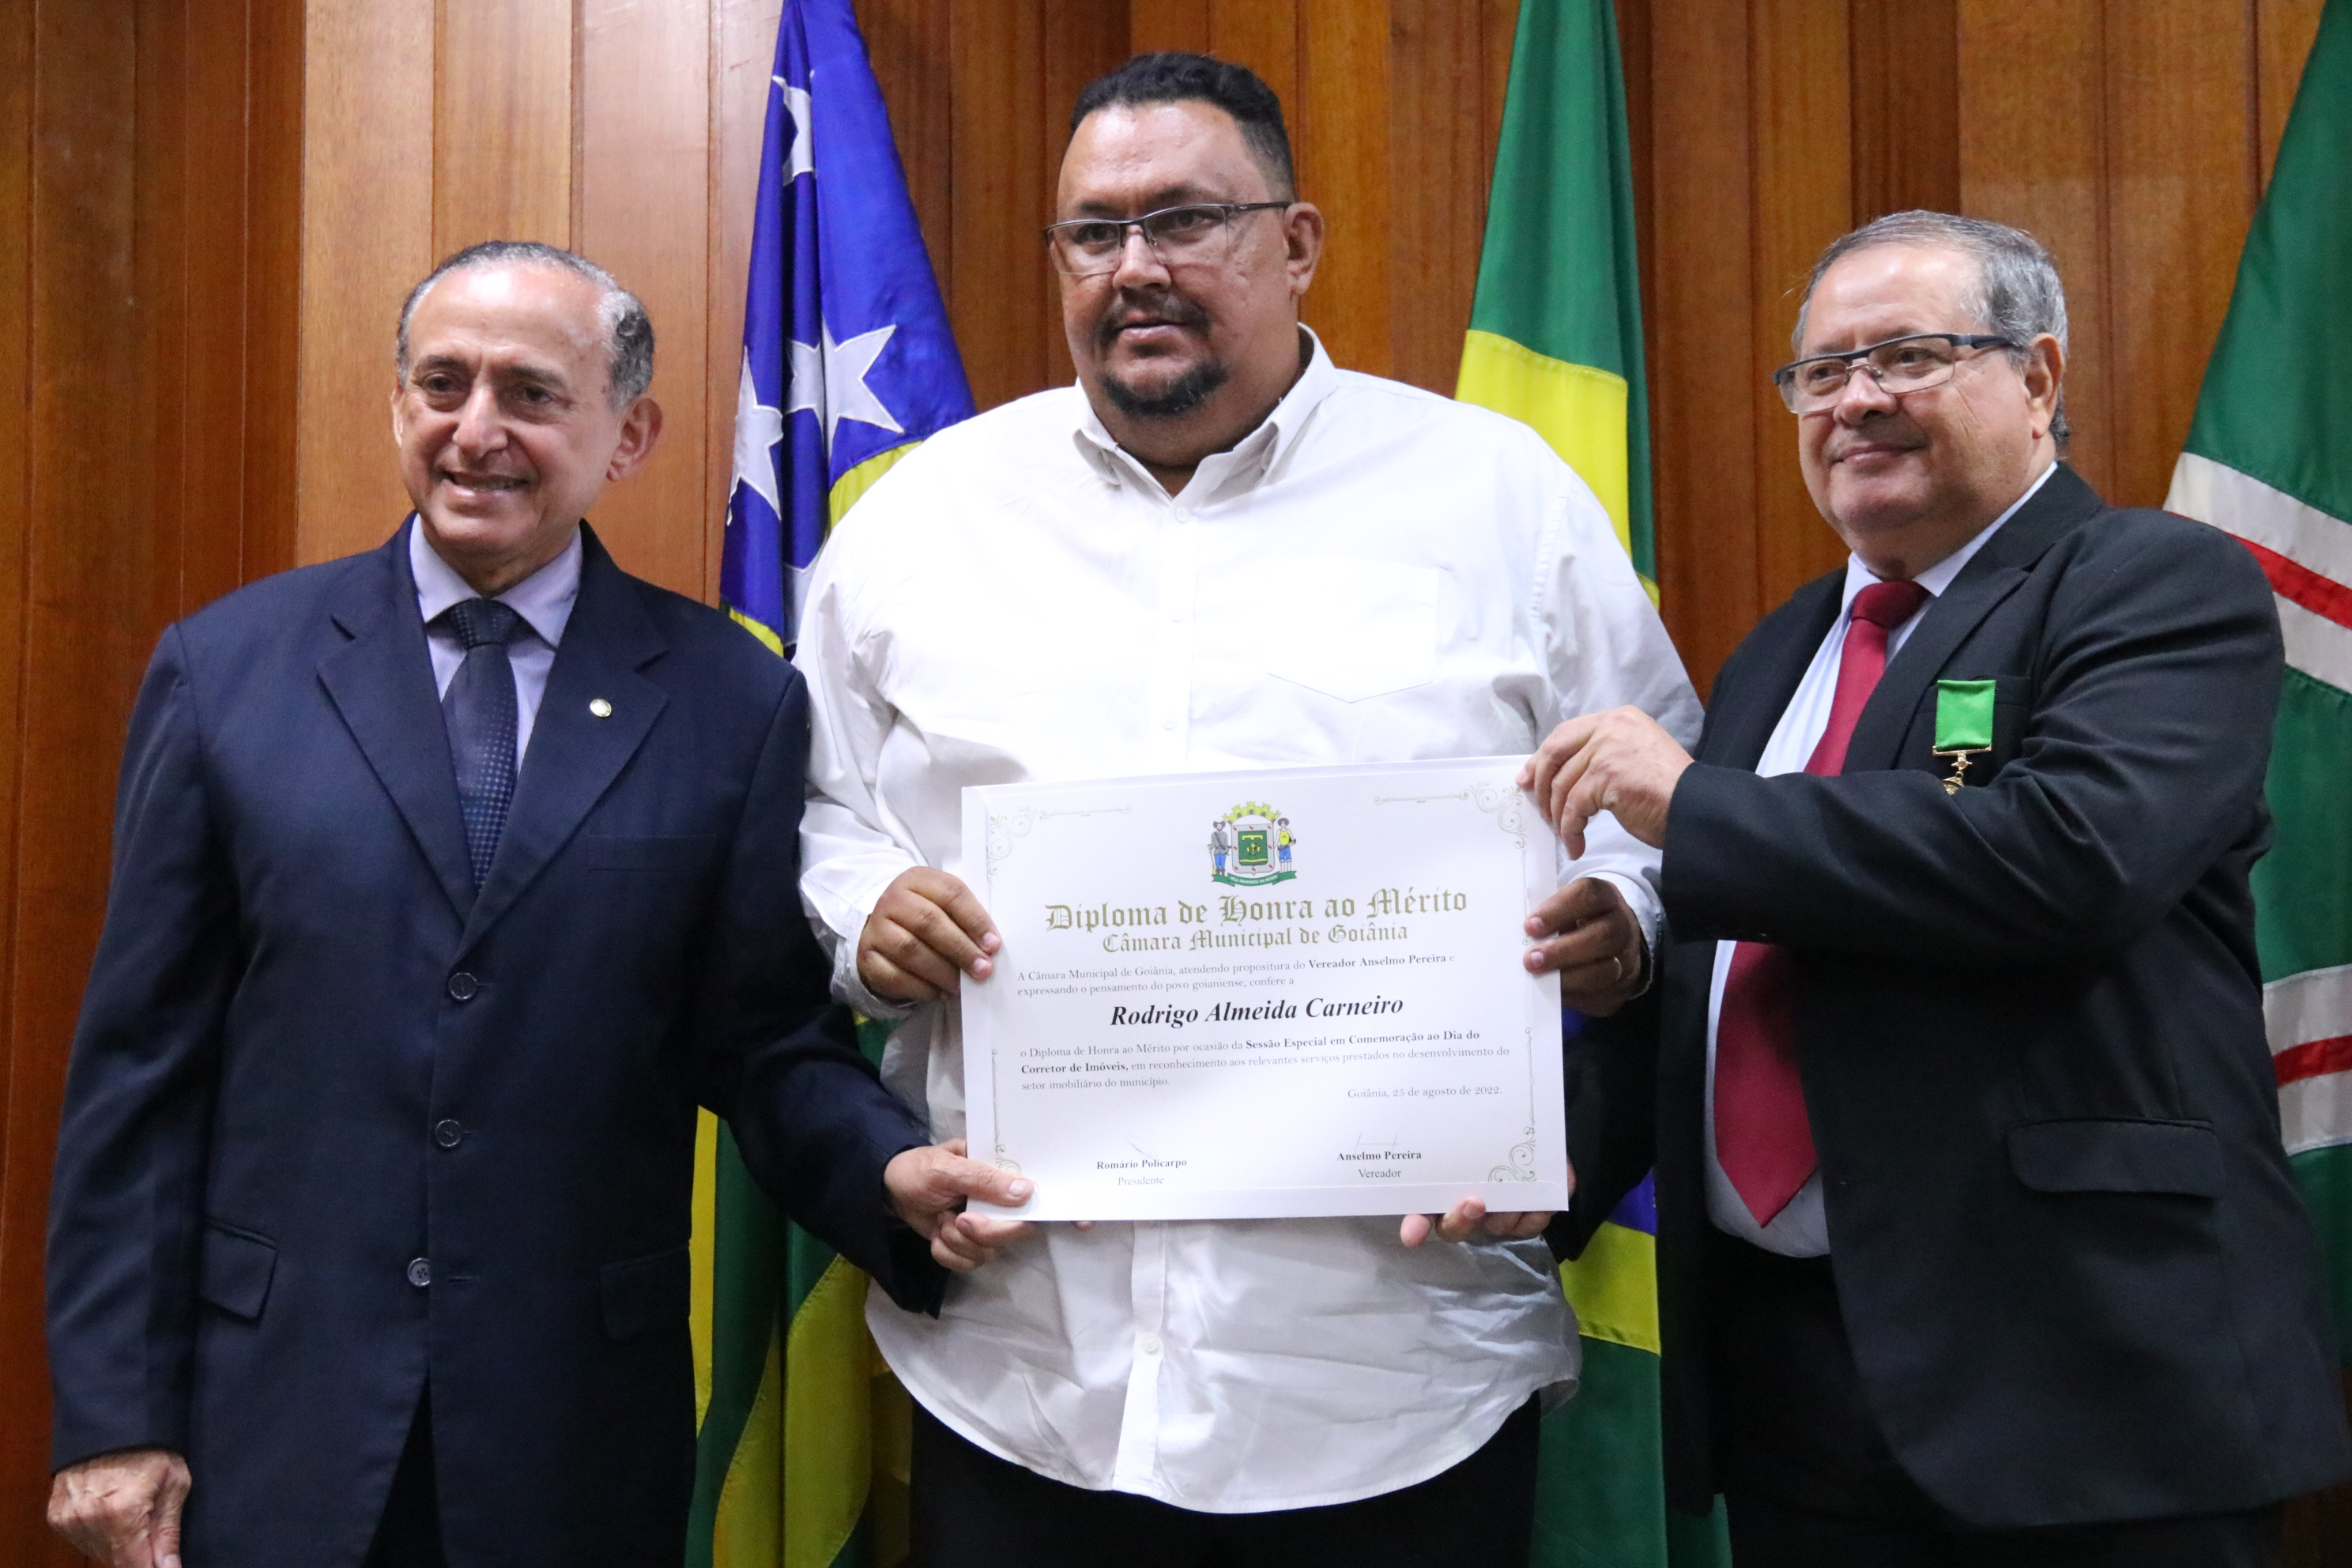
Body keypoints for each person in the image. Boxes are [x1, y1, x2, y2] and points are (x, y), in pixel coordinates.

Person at [795, 51, 1700, 1568]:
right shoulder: (922, 522)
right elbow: (821, 811)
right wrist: (864, 911)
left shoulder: (1499, 497)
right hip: (1030, 1372)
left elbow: (1649, 793)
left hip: (1394, 1372)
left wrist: (1622, 915)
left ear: (1298, 242)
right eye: (1094, 232)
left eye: (1186, 219)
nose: (1136, 267)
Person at [43, 241, 1026, 1568]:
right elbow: (140, 1079)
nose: (476, 430)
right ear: (397, 405)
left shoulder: (729, 702)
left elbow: (760, 1042)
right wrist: (113, 1417)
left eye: (530, 393)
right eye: (442, 384)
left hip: (572, 1431)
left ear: (630, 434)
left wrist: (883, 1170)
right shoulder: (227, 672)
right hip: (275, 1414)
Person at [1528, 210, 2352, 1566]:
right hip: (1793, 1380)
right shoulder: (1780, 651)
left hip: (2084, 1379)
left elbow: (2069, 858)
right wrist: (1536, 1158)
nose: (1854, 400)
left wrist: (1694, 808)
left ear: (2038, 379)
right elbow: (1741, 968)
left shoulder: (2156, 582)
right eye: (1820, 372)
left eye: (1907, 356)